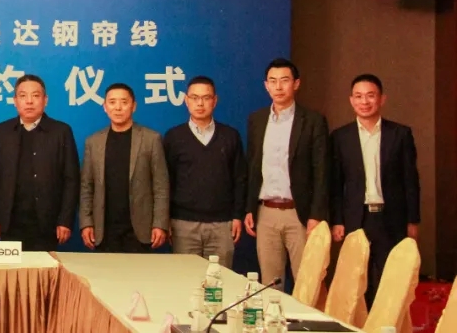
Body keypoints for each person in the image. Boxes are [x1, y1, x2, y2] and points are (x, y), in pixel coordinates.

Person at [330, 74, 420, 308]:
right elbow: (336, 184)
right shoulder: (341, 137)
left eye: (370, 96)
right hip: (356, 218)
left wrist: (413, 220)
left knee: (391, 280)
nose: (365, 101)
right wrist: (337, 220)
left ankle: (387, 323)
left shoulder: (400, 134)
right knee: (358, 283)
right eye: (359, 96)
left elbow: (410, 180)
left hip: (391, 218)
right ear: (351, 100)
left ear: (382, 99)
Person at [244, 58, 329, 287]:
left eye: (284, 80)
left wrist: (316, 215)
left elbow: (321, 171)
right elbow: (252, 166)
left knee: (307, 283)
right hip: (266, 212)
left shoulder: (312, 121)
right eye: (272, 81)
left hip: (299, 213)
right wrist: (250, 207)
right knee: (270, 284)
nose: (278, 87)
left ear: (296, 83)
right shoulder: (257, 120)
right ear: (266, 86)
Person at [0, 74, 79, 251]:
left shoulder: (61, 132)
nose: (29, 101)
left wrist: (65, 220)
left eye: (35, 96)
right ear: (15, 101)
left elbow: (71, 180)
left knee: (45, 267)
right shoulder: (2, 131)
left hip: (47, 223)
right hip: (9, 222)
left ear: (45, 100)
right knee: (11, 269)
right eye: (23, 96)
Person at [163, 76, 245, 268]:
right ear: (186, 100)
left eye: (206, 98)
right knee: (186, 280)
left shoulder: (230, 136)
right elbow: (166, 182)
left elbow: (240, 178)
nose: (200, 103)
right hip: (183, 224)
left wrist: (237, 216)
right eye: (194, 97)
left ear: (214, 101)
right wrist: (166, 220)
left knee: (220, 280)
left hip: (222, 225)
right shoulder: (174, 137)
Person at [79, 83, 169, 253]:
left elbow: (161, 186)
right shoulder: (93, 142)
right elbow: (86, 187)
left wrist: (160, 224)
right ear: (105, 107)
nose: (118, 108)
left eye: (124, 102)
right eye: (112, 102)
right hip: (103, 229)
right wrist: (86, 222)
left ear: (134, 106)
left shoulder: (151, 139)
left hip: (140, 229)